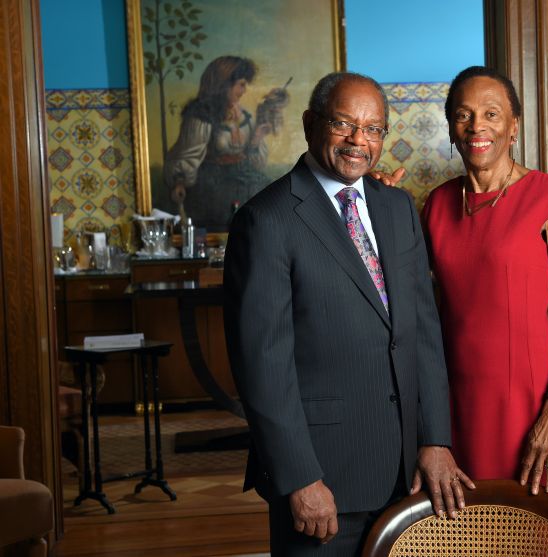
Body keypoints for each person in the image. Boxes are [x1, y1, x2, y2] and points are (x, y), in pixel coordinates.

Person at [223, 72, 473, 556]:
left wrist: (436, 440)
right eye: (344, 123)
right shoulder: (266, 220)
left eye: (374, 128)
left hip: (407, 473)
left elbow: (422, 334)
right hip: (323, 480)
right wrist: (300, 479)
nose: (360, 139)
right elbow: (262, 367)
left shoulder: (397, 208)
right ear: (310, 123)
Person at [421, 66, 548, 495]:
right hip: (456, 401)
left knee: (530, 531)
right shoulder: (437, 205)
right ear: (451, 127)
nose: (477, 126)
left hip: (530, 403)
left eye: (492, 114)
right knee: (465, 534)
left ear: (514, 125)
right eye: (464, 114)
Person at [164, 56, 275, 231]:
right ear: (224, 86)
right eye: (241, 84)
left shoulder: (245, 116)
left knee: (269, 197)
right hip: (213, 181)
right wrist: (180, 181)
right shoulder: (201, 116)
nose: (244, 90)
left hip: (244, 175)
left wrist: (257, 139)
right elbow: (189, 154)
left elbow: (255, 159)